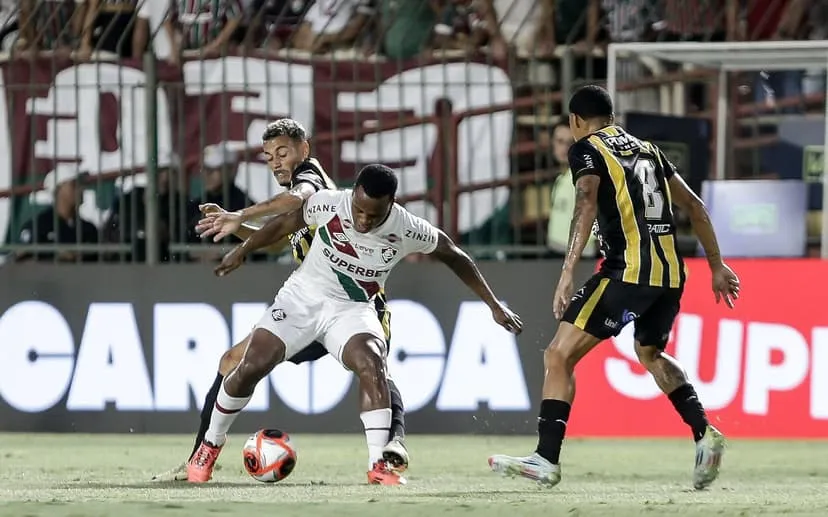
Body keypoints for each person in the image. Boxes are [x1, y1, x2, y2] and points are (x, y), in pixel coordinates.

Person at [189, 164, 523, 485]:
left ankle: (379, 464)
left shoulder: (407, 227)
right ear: (353, 195)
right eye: (358, 210)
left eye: (372, 215)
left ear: (390, 205)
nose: (362, 220)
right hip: (302, 299)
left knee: (373, 361)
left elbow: (455, 256)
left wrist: (493, 305)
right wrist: (244, 249)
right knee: (252, 365)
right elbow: (284, 224)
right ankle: (210, 446)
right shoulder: (330, 203)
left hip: (352, 309)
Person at [488, 85, 740, 490]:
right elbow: (695, 206)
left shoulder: (586, 148)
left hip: (627, 272)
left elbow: (586, 199)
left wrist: (567, 271)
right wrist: (717, 265)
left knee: (558, 355)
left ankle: (545, 459)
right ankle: (704, 433)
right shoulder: (649, 149)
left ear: (575, 121)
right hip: (670, 275)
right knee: (651, 352)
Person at [151, 119, 409, 482]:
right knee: (233, 361)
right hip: (312, 305)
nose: (275, 161)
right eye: (269, 155)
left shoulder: (310, 178)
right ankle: (199, 456)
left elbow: (298, 196)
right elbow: (276, 241)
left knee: (373, 369)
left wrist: (241, 213)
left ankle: (394, 446)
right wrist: (235, 228)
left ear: (304, 149)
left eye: (283, 152)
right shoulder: (302, 196)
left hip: (354, 302)